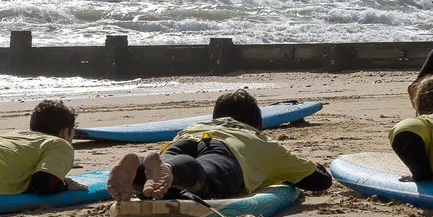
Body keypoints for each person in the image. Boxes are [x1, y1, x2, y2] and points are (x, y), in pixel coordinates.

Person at [107, 89, 331, 202]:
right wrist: (315, 166)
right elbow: (319, 181)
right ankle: (168, 170)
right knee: (205, 176)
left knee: (156, 181)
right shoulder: (259, 141)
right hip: (226, 149)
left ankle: (140, 168)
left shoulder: (195, 125)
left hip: (184, 139)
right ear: (258, 125)